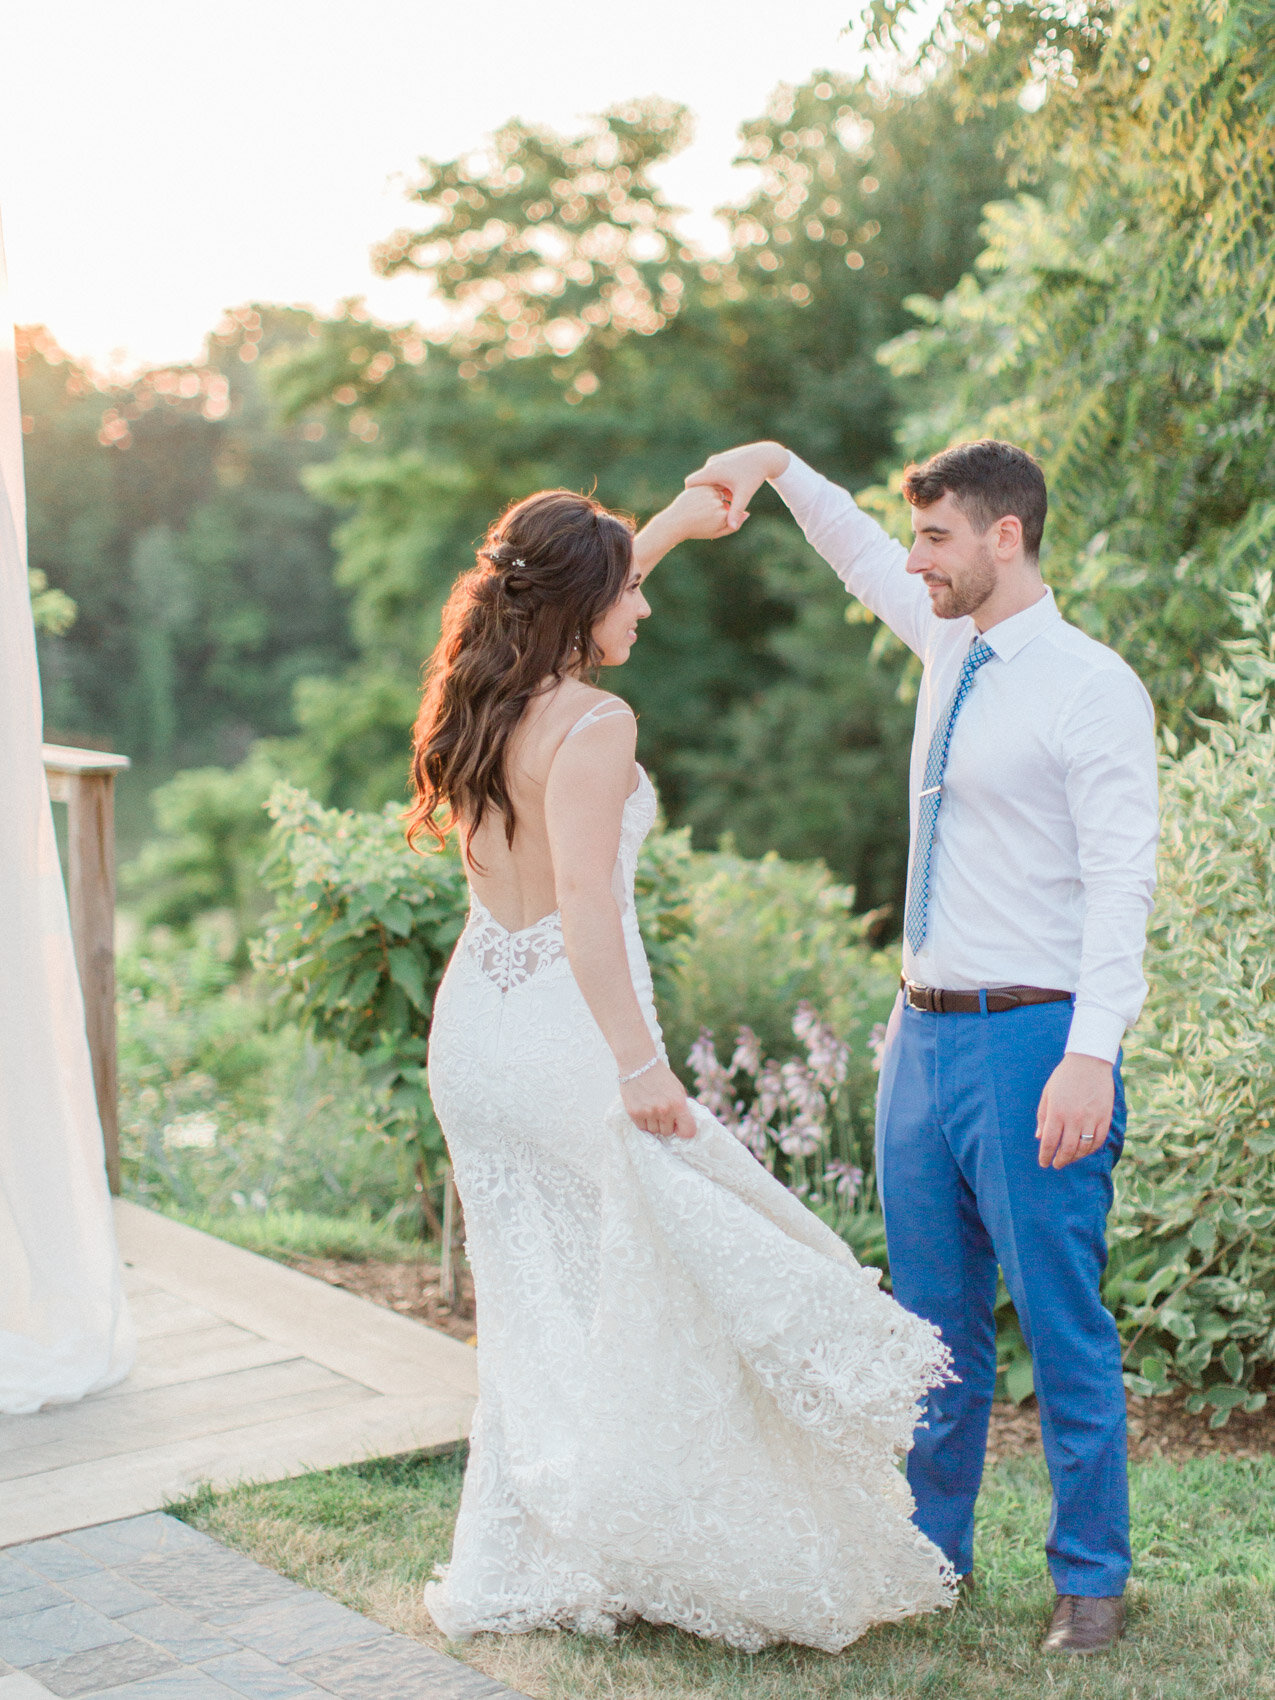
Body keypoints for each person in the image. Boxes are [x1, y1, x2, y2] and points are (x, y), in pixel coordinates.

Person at [408, 483, 956, 1652]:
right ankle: (670, 1535)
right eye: (634, 590)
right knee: (692, 1269)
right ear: (586, 603)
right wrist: (641, 1063)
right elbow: (588, 912)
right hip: (569, 1028)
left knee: (547, 1298)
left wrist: (659, 528)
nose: (645, 609)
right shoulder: (597, 727)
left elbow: (567, 585)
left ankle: (546, 1541)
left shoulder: (487, 692)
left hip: (474, 1034)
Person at [685, 439, 1159, 1656]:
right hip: (924, 1037)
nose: (916, 561)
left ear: (1007, 536)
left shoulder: (1091, 685)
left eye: (937, 536)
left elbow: (1121, 881)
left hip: (1036, 1038)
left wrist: (1093, 1051)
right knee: (931, 1325)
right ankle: (931, 1555)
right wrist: (777, 464)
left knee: (1060, 1321)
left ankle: (1091, 1580)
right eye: (916, 539)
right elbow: (850, 546)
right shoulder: (948, 635)